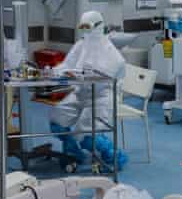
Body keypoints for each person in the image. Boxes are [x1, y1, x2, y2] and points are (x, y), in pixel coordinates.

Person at [50, 11, 128, 169]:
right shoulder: (81, 44)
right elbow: (67, 64)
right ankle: (73, 152)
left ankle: (115, 156)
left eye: (88, 27)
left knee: (87, 137)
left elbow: (102, 79)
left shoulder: (111, 53)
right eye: (83, 27)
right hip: (79, 93)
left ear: (99, 26)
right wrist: (57, 71)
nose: (86, 31)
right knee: (57, 119)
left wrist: (80, 76)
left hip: (101, 98)